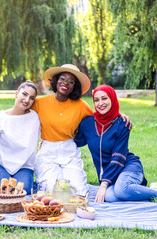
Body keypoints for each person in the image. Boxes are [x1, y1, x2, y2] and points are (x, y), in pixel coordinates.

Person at [74, 85, 157, 206]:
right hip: (111, 175)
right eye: (96, 100)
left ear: (112, 99)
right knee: (110, 197)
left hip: (129, 166)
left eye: (104, 98)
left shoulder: (122, 124)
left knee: (121, 190)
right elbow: (76, 141)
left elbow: (118, 157)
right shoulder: (88, 123)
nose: (100, 103)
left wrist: (104, 184)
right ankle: (138, 189)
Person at [31, 64, 131, 196]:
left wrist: (119, 116)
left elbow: (100, 115)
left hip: (69, 150)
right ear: (56, 80)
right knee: (53, 193)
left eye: (71, 81)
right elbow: (20, 110)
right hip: (48, 150)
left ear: (74, 86)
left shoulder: (81, 105)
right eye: (62, 78)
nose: (66, 83)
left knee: (78, 192)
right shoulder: (40, 103)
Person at [0, 81, 40, 194]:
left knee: (22, 194)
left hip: (24, 166)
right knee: (2, 193)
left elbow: (46, 135)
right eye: (24, 94)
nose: (27, 100)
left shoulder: (34, 117)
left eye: (31, 98)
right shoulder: (0, 117)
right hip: (1, 164)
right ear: (16, 94)